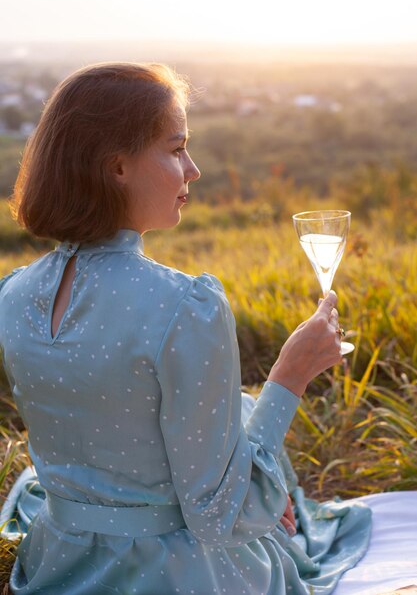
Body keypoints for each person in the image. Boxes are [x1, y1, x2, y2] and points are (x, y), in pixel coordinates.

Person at [0, 62, 375, 594]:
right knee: (254, 422)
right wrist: (291, 375)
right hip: (180, 576)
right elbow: (222, 518)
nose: (193, 169)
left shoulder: (12, 295)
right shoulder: (185, 305)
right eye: (176, 149)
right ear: (117, 167)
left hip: (58, 566)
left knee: (239, 408)